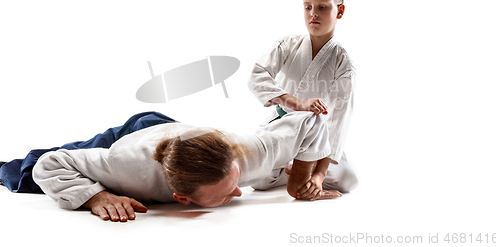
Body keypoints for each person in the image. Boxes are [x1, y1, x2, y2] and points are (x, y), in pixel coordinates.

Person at [1, 110, 338, 222]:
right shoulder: (125, 167)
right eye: (223, 194)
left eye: (234, 182)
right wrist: (95, 196)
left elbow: (309, 120)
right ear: (181, 198)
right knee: (31, 174)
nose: (238, 191)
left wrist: (308, 176)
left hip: (178, 136)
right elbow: (52, 164)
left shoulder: (247, 155)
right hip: (136, 134)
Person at [248, 0, 359, 200]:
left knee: (348, 179)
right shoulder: (288, 45)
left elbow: (338, 120)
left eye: (322, 7)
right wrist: (294, 103)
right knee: (258, 181)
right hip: (282, 127)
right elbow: (257, 76)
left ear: (340, 11)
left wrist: (319, 174)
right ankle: (294, 169)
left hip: (319, 136)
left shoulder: (343, 63)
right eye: (307, 7)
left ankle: (304, 172)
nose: (313, 14)